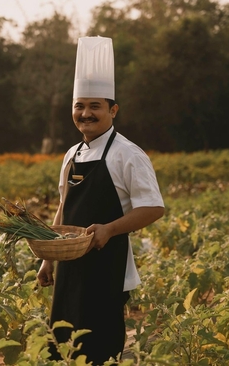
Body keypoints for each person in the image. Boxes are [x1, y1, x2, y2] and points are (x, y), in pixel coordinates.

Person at [37, 36, 164, 365]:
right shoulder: (71, 154)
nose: (85, 113)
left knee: (98, 348)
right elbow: (63, 206)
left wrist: (108, 229)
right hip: (69, 267)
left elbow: (153, 207)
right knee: (63, 345)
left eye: (95, 106)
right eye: (79, 105)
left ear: (113, 109)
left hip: (107, 268)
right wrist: (49, 258)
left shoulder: (128, 154)